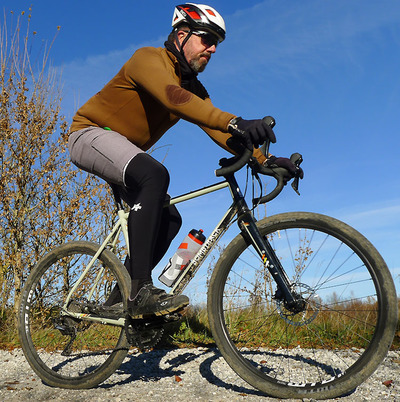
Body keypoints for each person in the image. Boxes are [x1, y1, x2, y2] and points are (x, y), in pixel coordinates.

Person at [68, 3, 297, 319]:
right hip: (89, 134)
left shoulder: (194, 88)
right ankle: (140, 291)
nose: (213, 49)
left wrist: (264, 159)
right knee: (154, 174)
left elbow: (213, 125)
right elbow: (173, 97)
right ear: (181, 33)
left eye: (216, 43)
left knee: (169, 218)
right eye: (207, 38)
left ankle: (118, 306)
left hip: (123, 151)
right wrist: (237, 121)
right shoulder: (147, 59)